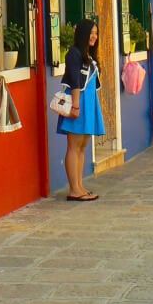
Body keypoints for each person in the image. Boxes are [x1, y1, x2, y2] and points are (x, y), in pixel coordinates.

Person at [57, 18, 105, 201]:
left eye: (96, 33)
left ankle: (79, 186)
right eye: (91, 33)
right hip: (79, 103)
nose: (94, 36)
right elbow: (74, 81)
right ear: (83, 34)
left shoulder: (89, 56)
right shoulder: (74, 54)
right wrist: (76, 106)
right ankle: (74, 190)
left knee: (82, 147)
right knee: (74, 146)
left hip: (89, 104)